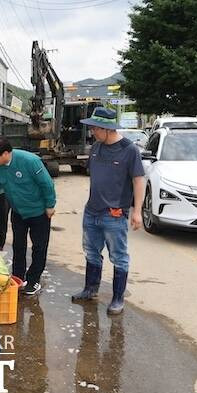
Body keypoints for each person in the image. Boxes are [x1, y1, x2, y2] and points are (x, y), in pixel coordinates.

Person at [72, 107, 144, 315]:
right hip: (92, 211)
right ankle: (90, 289)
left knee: (119, 257)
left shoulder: (129, 150)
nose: (93, 131)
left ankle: (117, 298)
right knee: (92, 253)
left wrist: (137, 211)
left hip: (114, 214)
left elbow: (138, 180)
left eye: (95, 128)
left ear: (107, 128)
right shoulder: (96, 147)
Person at [0, 137, 56, 295]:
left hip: (38, 212)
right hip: (18, 212)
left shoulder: (30, 161)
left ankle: (34, 280)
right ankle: (18, 278)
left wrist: (50, 205)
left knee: (39, 247)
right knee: (18, 246)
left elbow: (46, 184)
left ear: (6, 153)